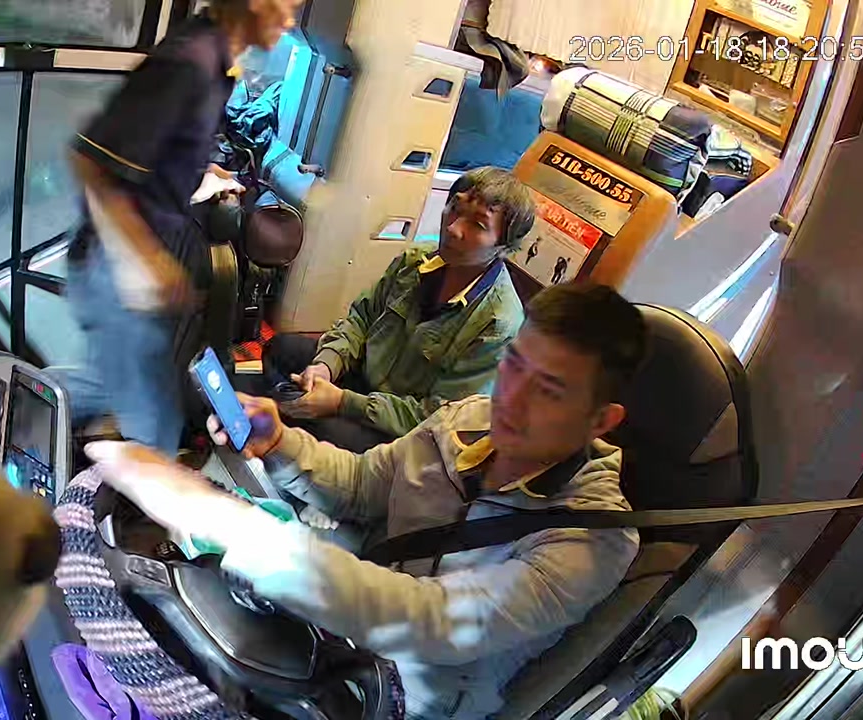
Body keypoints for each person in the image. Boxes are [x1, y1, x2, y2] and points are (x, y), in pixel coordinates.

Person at [82, 282, 649, 719]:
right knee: (157, 588)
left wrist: (224, 520)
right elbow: (363, 484)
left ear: (601, 420)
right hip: (348, 618)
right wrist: (281, 444)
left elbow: (433, 622)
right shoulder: (467, 420)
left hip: (406, 695)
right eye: (514, 365)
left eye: (548, 390)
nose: (511, 400)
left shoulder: (594, 540)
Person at [51, 0, 302, 456]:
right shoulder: (189, 63)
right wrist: (147, 260)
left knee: (110, 385)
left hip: (134, 260)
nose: (289, 21)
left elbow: (158, 149)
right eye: (286, 5)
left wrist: (205, 172)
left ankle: (14, 400)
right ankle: (6, 399)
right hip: (115, 266)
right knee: (154, 429)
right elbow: (89, 160)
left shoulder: (219, 67)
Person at [259, 167, 534, 452]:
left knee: (322, 431)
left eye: (477, 225)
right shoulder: (416, 260)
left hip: (402, 430)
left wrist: (342, 403)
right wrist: (326, 366)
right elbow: (361, 318)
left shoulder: (498, 323)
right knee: (282, 350)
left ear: (503, 246)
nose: (453, 228)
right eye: (454, 207)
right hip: (362, 381)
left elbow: (438, 417)